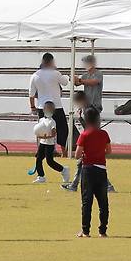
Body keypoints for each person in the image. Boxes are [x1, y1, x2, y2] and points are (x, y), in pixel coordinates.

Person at [75, 108, 112, 239]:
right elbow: (109, 150)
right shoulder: (104, 134)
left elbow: (77, 154)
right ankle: (103, 230)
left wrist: (86, 154)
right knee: (103, 202)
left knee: (87, 201)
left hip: (88, 169)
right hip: (101, 169)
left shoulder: (84, 135)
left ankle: (86, 231)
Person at [29, 52, 70, 152]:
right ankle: (63, 151)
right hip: (56, 106)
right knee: (62, 129)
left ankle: (44, 150)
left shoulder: (35, 75)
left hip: (42, 106)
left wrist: (32, 107)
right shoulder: (55, 73)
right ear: (51, 61)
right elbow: (65, 82)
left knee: (43, 129)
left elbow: (31, 94)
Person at [32, 100, 70, 185]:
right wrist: (41, 137)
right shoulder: (41, 120)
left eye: (50, 109)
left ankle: (63, 170)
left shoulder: (52, 122)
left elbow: (54, 134)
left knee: (50, 161)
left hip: (49, 144)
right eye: (46, 109)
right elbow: (39, 130)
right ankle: (41, 176)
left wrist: (45, 137)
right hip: (42, 143)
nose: (47, 111)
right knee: (38, 159)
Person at [62, 90, 88, 192]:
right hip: (84, 139)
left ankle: (108, 185)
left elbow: (88, 128)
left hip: (88, 140)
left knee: (91, 164)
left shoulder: (87, 111)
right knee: (81, 164)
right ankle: (73, 185)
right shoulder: (80, 111)